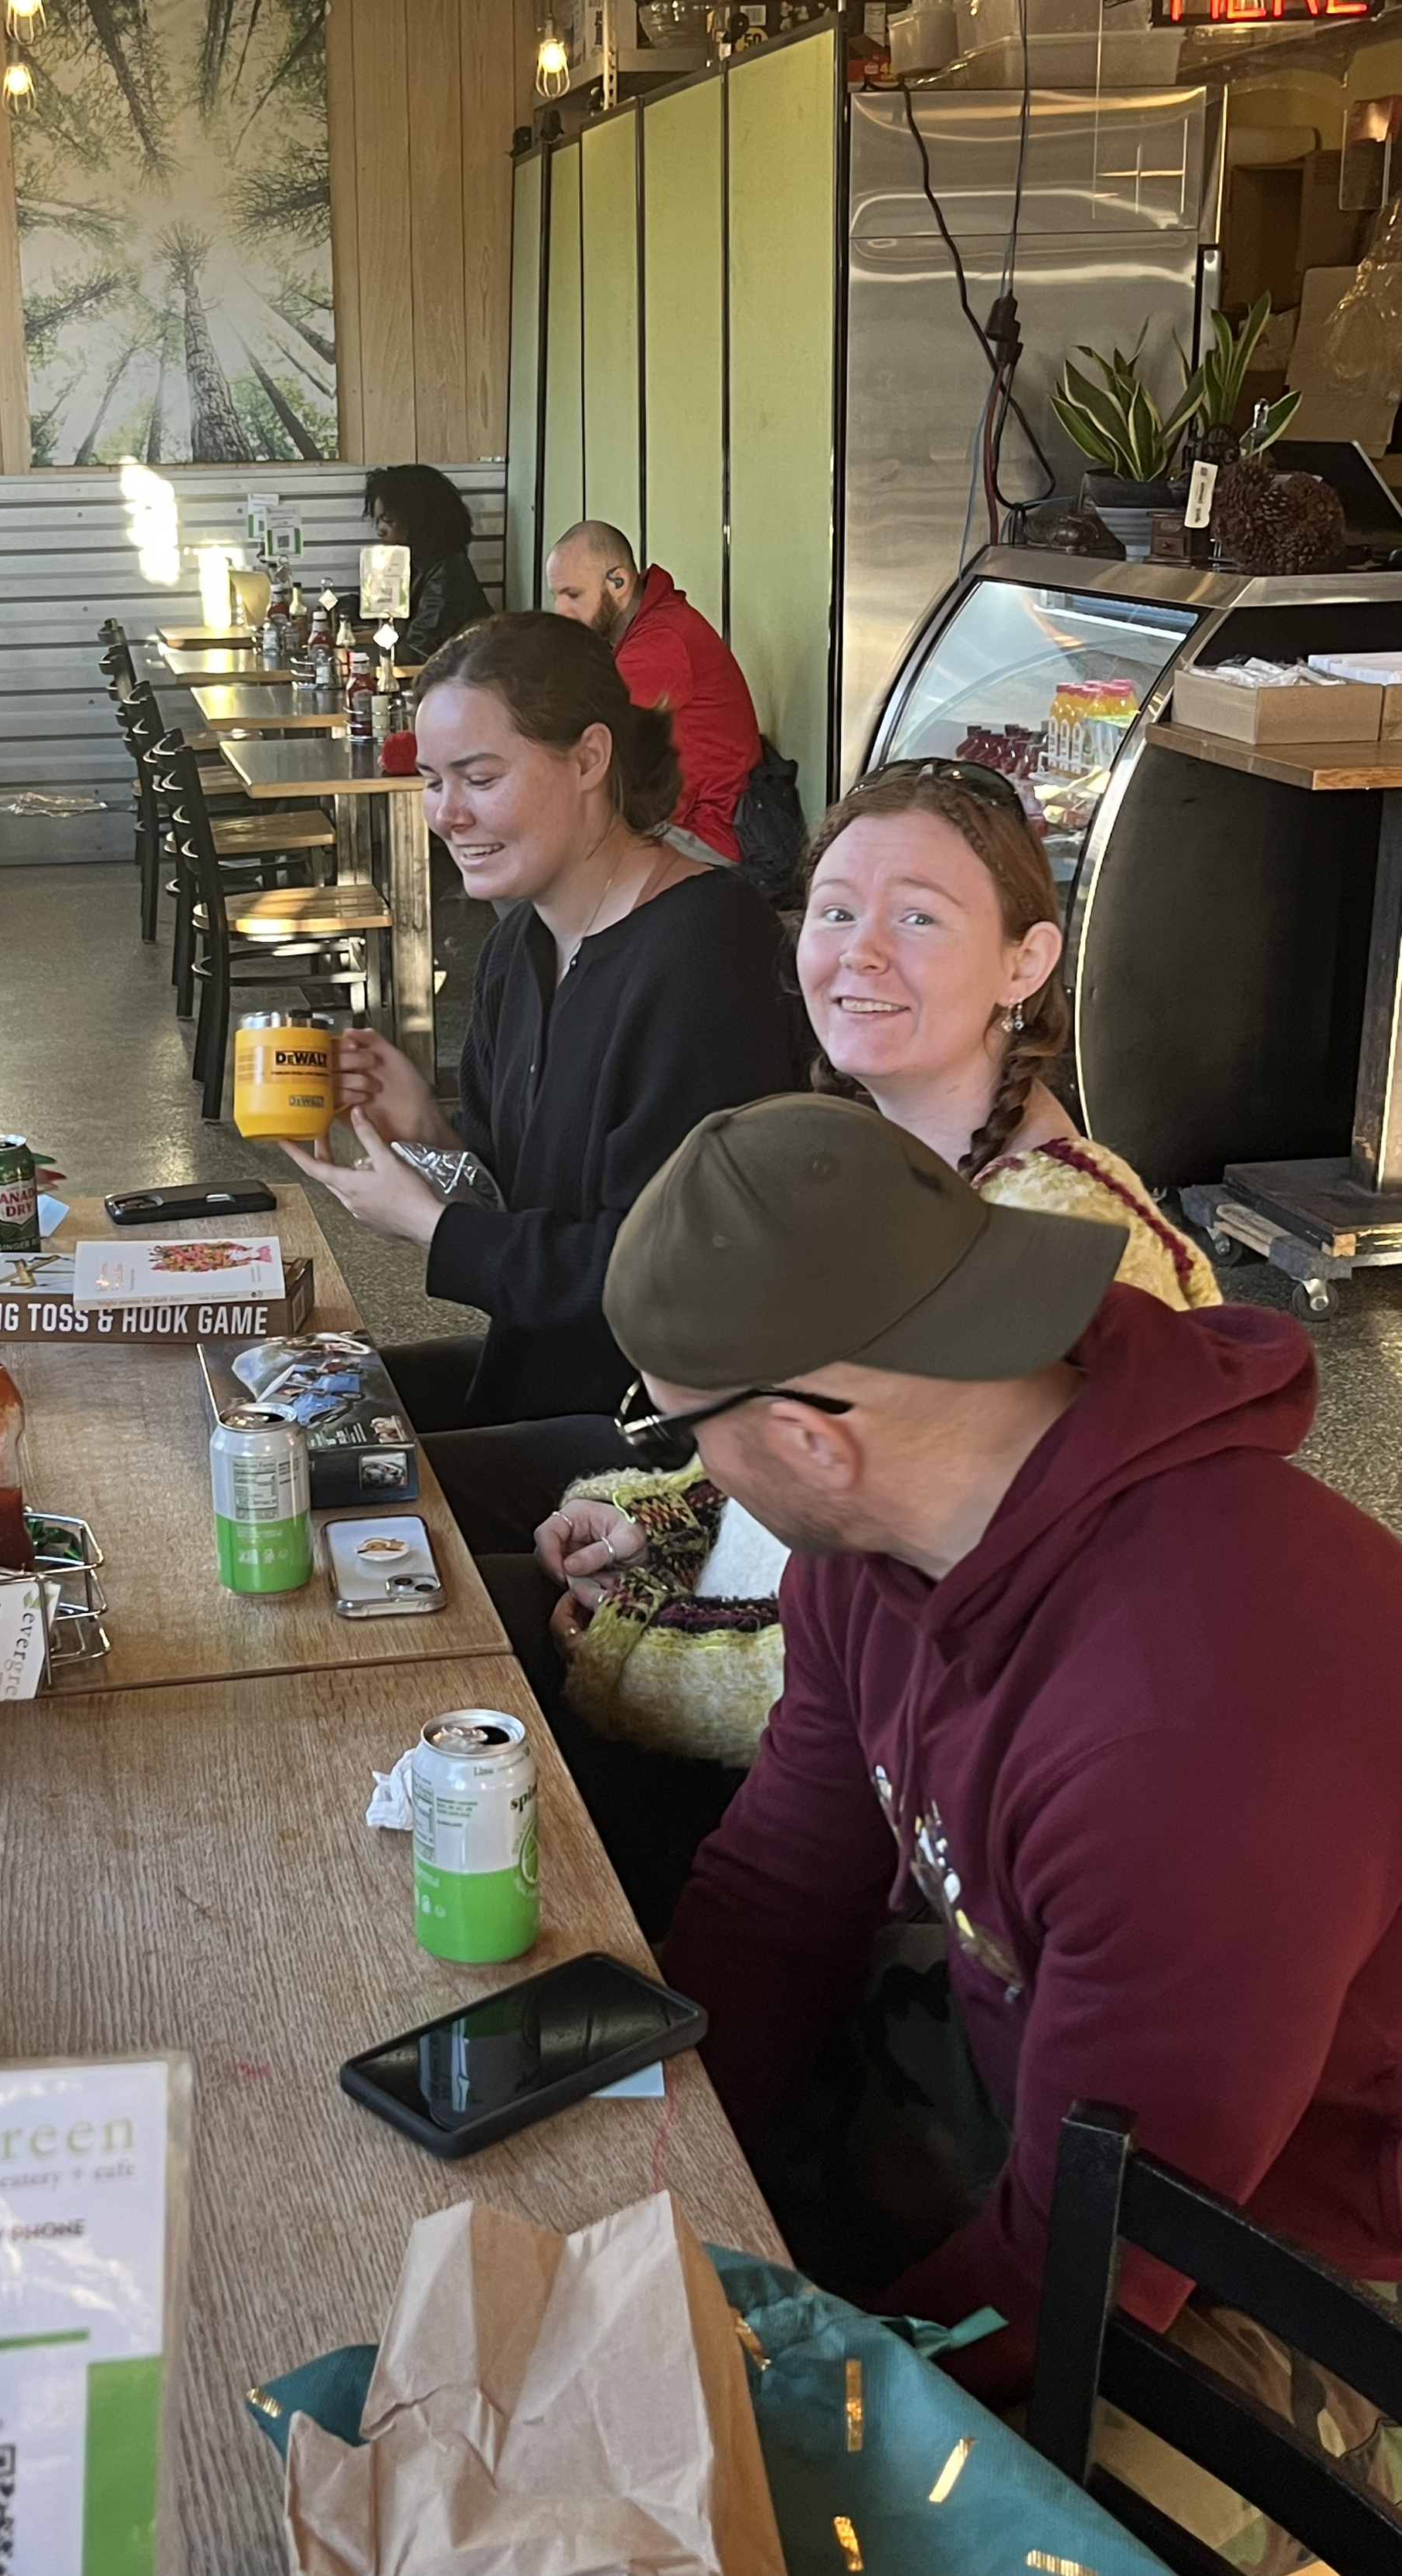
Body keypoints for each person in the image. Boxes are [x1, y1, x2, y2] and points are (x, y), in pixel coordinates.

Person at [598, 1089, 1402, 2547]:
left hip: (1305, 2246)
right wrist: (623, 2157)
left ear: (808, 1435)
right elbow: (781, 1894)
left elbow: (1096, 2262)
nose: (684, 1466)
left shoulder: (1188, 1726)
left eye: (674, 1424)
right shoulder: (869, 1559)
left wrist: (763, 2405)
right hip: (1079, 2080)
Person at [495, 762, 1217, 1931]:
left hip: (904, 1850)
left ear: (1027, 964)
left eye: (919, 917)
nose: (859, 953)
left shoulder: (1070, 1253)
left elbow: (915, 1663)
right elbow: (822, 1450)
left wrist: (624, 1653)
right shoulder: (879, 1160)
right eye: (836, 911)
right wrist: (663, 1521)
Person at [276, 611, 798, 1555]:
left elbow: (667, 1280)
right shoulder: (524, 936)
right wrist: (434, 1137)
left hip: (658, 1443)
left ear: (591, 758)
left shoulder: (705, 950)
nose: (447, 815)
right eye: (433, 782)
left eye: (480, 779)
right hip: (541, 1373)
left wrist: (435, 1229)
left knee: (307, 1499)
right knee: (269, 1418)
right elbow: (534, 1190)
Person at [546, 520, 761, 865]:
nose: (561, 611)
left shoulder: (659, 644)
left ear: (618, 581)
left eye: (573, 595)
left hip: (704, 835)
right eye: (556, 596)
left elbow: (568, 728)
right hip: (676, 816)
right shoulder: (639, 629)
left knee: (536, 849)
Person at [363, 464, 491, 663]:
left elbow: (417, 652)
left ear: (418, 519)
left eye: (388, 520)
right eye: (377, 520)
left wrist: (354, 658)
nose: (379, 530)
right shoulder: (416, 562)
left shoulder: (447, 573)